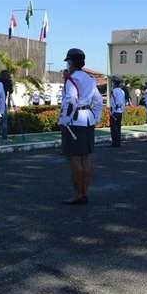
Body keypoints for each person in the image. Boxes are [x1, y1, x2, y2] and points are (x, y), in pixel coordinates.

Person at [59, 48, 103, 205]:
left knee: (75, 159)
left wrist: (64, 120)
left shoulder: (72, 79)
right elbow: (98, 101)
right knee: (85, 158)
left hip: (74, 121)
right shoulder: (89, 79)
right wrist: (96, 118)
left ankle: (78, 194)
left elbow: (71, 100)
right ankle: (84, 192)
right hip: (88, 119)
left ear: (70, 61)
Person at [0, 70, 14, 141]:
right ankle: (4, 137)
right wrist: (10, 82)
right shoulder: (7, 82)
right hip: (2, 102)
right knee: (4, 121)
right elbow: (11, 91)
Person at [108, 75, 125, 147]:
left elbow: (113, 102)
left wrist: (112, 111)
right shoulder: (122, 91)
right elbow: (123, 102)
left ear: (114, 83)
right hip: (120, 111)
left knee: (114, 128)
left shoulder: (114, 91)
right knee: (118, 127)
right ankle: (118, 142)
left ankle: (114, 142)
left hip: (114, 111)